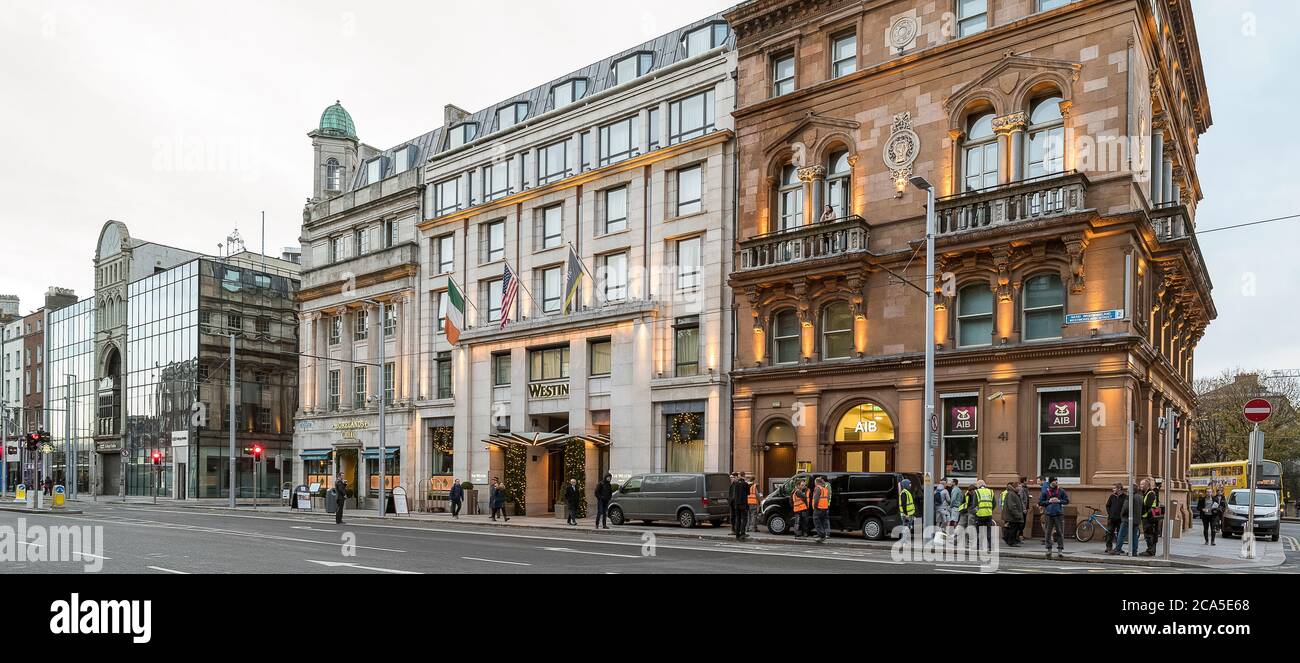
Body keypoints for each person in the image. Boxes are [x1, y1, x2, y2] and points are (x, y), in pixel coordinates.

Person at [1039, 476, 1069, 557]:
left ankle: (1060, 550)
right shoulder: (1045, 491)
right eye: (1054, 482)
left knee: (1060, 532)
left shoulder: (1061, 491)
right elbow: (1040, 502)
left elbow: (1067, 501)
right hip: (1049, 514)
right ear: (1051, 482)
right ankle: (1049, 550)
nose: (1056, 483)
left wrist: (1059, 501)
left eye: (1056, 481)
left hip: (1059, 514)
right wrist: (1049, 501)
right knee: (1048, 533)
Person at [971, 480, 995, 551]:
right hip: (988, 515)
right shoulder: (990, 491)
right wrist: (989, 509)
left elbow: (974, 504)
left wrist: (975, 512)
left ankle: (979, 546)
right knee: (988, 531)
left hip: (980, 515)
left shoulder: (977, 492)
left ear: (978, 485)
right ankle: (990, 547)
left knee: (979, 531)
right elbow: (994, 503)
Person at [1000, 481, 1025, 546]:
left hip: (1012, 515)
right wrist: (1018, 515)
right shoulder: (1011, 494)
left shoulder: (1014, 493)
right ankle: (1011, 542)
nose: (1020, 488)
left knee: (1013, 528)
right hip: (1011, 516)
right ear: (1015, 487)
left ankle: (1011, 540)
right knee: (1012, 529)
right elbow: (1012, 506)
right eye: (1018, 486)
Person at [1104, 483, 1127, 553]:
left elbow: (1126, 507)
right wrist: (1110, 513)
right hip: (1112, 518)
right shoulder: (1112, 496)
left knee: (1120, 534)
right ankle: (1108, 547)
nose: (1113, 489)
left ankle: (1118, 547)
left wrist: (1123, 515)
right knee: (1109, 532)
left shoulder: (1125, 497)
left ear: (1119, 488)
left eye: (1114, 488)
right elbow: (1107, 505)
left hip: (1120, 519)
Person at [1140, 478, 1160, 556]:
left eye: (1142, 484)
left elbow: (1147, 506)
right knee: (1149, 534)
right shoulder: (1145, 493)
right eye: (1140, 484)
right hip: (1147, 517)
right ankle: (1151, 550)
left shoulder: (1150, 493)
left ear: (1147, 485)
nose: (1140, 486)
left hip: (1149, 518)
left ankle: (1150, 551)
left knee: (1149, 534)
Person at [812, 476, 832, 542]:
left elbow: (816, 499)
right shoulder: (824, 489)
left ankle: (822, 535)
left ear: (817, 483)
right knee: (822, 522)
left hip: (818, 508)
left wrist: (815, 506)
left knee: (817, 522)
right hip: (824, 508)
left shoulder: (818, 488)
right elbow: (827, 498)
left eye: (815, 482)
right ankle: (822, 535)